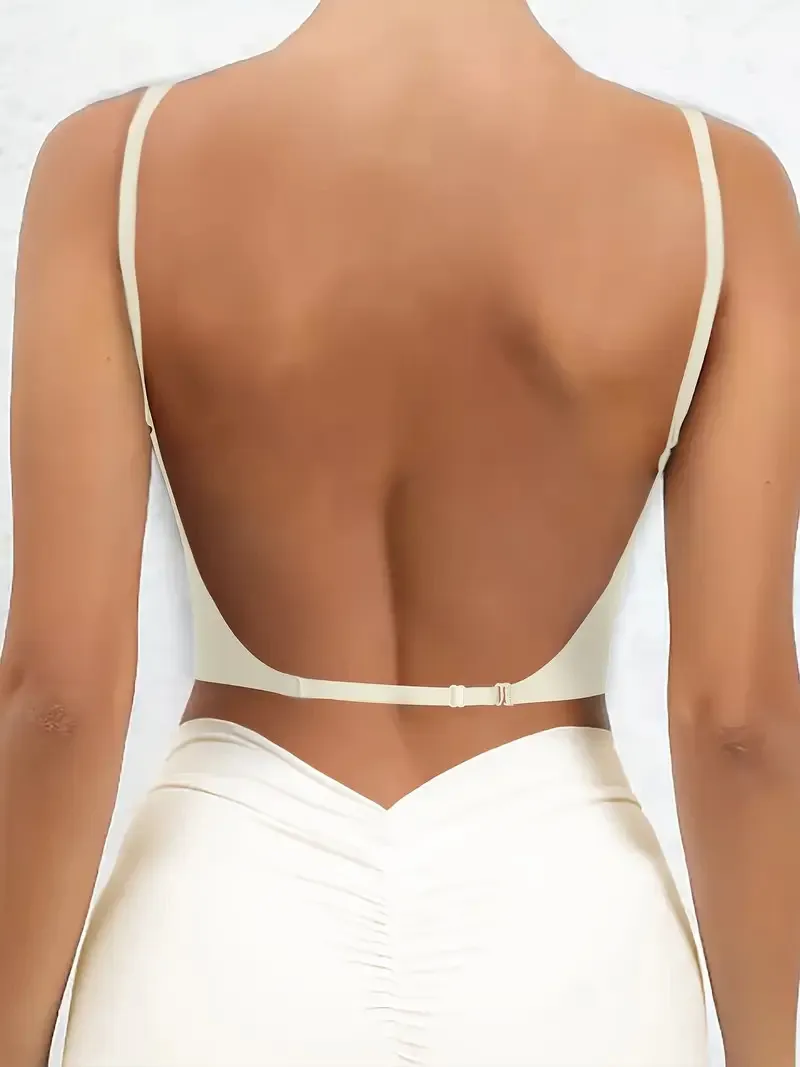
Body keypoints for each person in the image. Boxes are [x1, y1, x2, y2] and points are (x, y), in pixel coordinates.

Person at [2, 0, 800, 1064]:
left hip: (218, 929)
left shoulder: (113, 166)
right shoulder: (719, 189)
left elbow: (57, 699)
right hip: (569, 940)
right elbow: (738, 721)